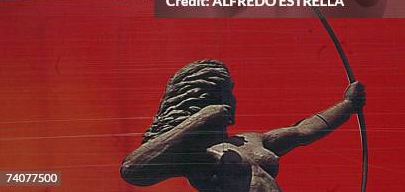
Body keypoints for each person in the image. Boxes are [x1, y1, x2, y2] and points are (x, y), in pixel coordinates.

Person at [120, 59, 366, 191]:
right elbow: (133, 169)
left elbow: (302, 131)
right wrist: (199, 120)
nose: (234, 99)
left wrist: (347, 104)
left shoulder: (249, 140)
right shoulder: (191, 154)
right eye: (229, 91)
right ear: (210, 97)